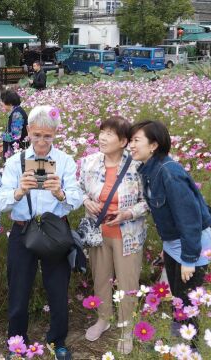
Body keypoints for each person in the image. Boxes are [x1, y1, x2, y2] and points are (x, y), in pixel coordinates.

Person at [0, 105, 82, 360]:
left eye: (48, 136)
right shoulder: (15, 162)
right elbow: (1, 203)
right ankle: (18, 342)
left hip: (54, 230)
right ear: (29, 132)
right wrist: (19, 191)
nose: (42, 141)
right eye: (37, 135)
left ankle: (58, 341)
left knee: (57, 288)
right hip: (23, 231)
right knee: (19, 288)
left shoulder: (65, 160)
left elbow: (76, 198)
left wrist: (60, 193)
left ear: (55, 134)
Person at [129, 120, 211, 336]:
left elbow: (190, 220)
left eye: (136, 140)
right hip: (173, 244)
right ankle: (178, 340)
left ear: (154, 145)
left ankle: (191, 346)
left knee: (188, 301)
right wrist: (167, 246)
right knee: (177, 295)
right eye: (131, 140)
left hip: (191, 246)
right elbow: (167, 215)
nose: (131, 145)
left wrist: (189, 259)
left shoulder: (169, 172)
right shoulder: (149, 171)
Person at [78, 116, 147, 354]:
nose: (103, 137)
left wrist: (127, 213)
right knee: (101, 277)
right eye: (102, 132)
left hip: (127, 235)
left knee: (128, 282)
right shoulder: (89, 162)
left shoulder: (137, 166)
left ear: (124, 141)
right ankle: (103, 318)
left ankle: (127, 327)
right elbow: (77, 188)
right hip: (98, 233)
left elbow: (147, 202)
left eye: (110, 134)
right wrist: (87, 201)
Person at [0, 89, 28, 159]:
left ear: (10, 103)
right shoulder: (16, 111)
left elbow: (15, 137)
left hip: (18, 154)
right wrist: (4, 143)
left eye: (3, 101)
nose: (1, 103)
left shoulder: (17, 114)